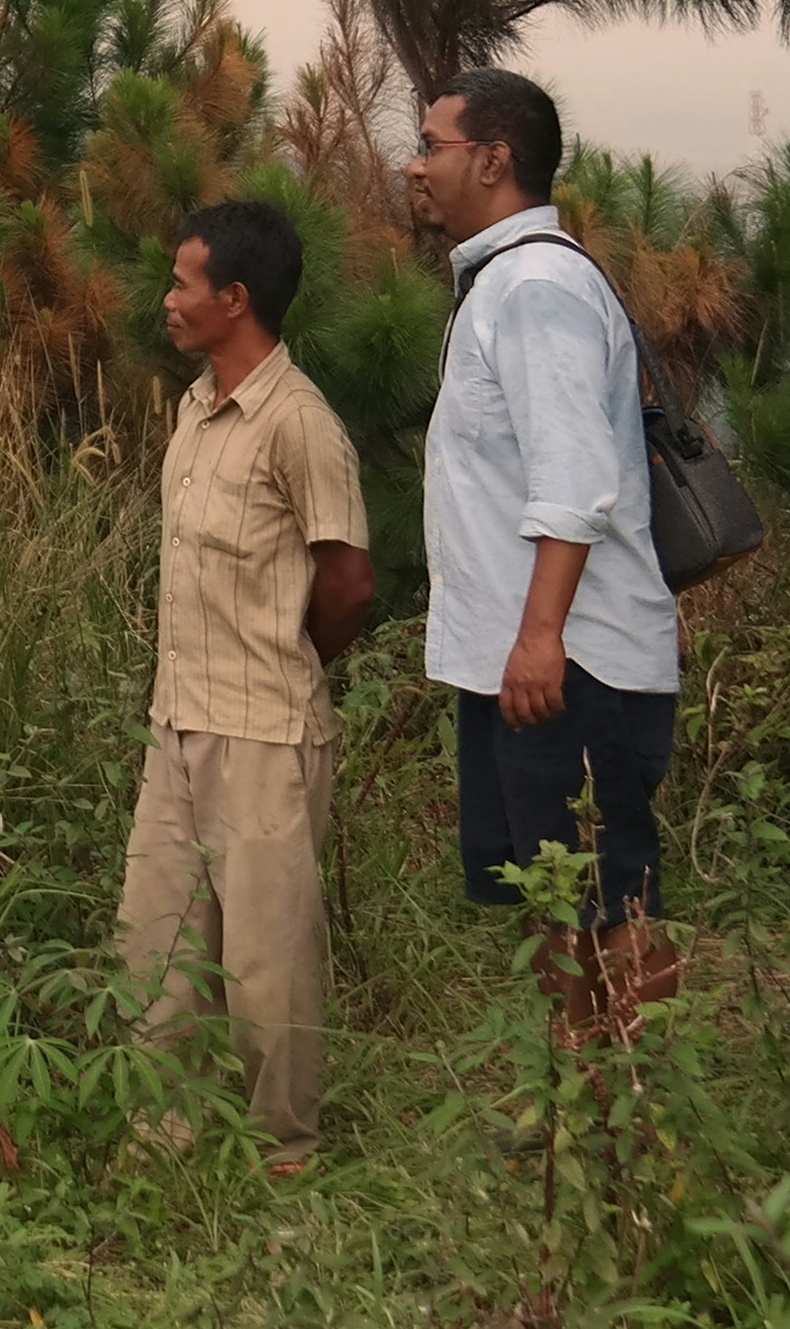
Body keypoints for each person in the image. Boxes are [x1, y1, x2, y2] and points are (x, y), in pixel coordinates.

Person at [117, 195, 374, 1167]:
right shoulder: (195, 414)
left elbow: (347, 581)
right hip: (176, 726)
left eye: (183, 284)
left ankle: (285, 1150)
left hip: (266, 730)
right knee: (156, 943)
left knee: (268, 964)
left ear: (234, 297)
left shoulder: (298, 425)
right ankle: (162, 1136)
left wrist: (286, 660)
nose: (168, 300)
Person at [405, 66, 681, 955]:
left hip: (569, 668)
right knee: (556, 911)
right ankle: (579, 1090)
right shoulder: (500, 286)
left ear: (492, 160)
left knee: (607, 911)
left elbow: (572, 481)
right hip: (528, 668)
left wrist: (538, 639)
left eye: (430, 145)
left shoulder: (536, 290)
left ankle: (626, 1086)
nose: (414, 166)